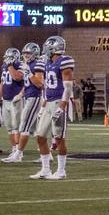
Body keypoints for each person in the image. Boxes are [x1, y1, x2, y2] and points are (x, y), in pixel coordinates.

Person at [31, 35, 75, 179]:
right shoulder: (48, 62)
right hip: (49, 101)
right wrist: (43, 106)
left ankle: (61, 171)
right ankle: (45, 169)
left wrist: (62, 106)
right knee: (40, 136)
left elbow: (68, 87)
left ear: (54, 47)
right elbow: (47, 87)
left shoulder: (64, 61)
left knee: (59, 138)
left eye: (48, 46)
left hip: (59, 102)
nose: (45, 49)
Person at [16, 43, 45, 165]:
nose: (25, 55)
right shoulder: (28, 65)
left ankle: (18, 153)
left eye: (28, 53)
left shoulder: (37, 65)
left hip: (34, 97)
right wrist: (21, 94)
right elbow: (27, 83)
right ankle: (46, 155)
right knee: (36, 130)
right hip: (28, 96)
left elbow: (39, 83)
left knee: (24, 126)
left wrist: (29, 73)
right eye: (24, 53)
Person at [0, 47, 27, 163]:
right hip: (6, 100)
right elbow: (3, 82)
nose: (6, 60)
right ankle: (13, 150)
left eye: (9, 58)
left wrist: (10, 65)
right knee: (9, 127)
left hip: (16, 99)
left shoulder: (21, 65)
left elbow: (17, 77)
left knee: (17, 126)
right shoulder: (4, 66)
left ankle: (19, 153)